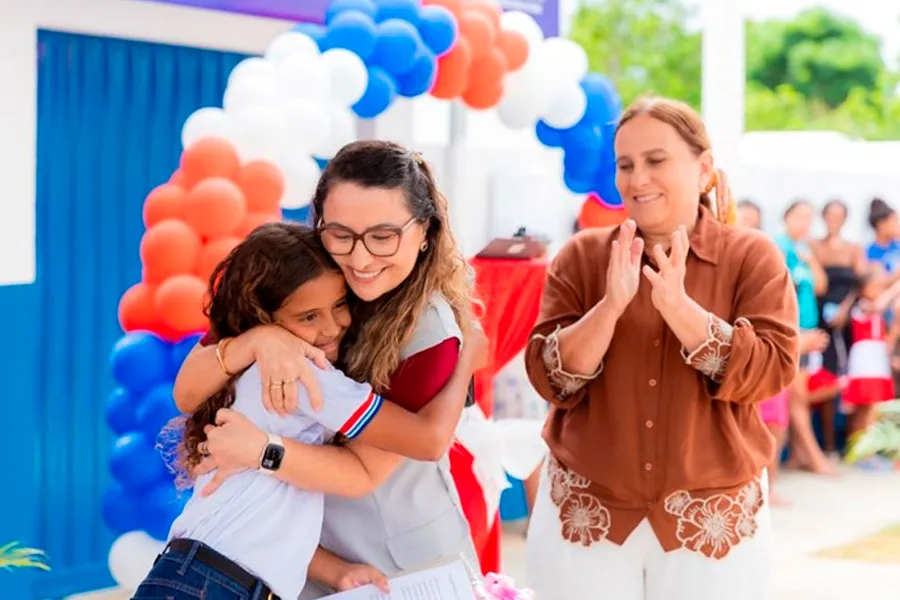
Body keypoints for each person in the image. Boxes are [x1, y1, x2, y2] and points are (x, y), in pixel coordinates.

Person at [172, 141, 484, 597]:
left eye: (383, 236)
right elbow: (188, 392)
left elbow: (379, 463)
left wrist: (261, 451)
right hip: (305, 560)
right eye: (340, 233)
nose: (360, 259)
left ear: (424, 232)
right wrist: (258, 340)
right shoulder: (301, 280)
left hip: (399, 563)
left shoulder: (427, 330)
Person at [523, 96, 799, 600]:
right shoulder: (582, 256)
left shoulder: (751, 256)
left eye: (656, 160)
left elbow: (773, 370)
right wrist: (609, 307)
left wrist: (681, 310)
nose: (637, 179)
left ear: (704, 169)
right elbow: (550, 378)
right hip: (588, 518)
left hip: (713, 525)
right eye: (625, 165)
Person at [735, 200, 791, 506]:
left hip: (767, 348)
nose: (747, 225)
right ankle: (752, 486)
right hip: (741, 352)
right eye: (742, 218)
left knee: (776, 421)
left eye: (752, 221)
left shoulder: (766, 257)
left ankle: (770, 486)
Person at [776, 201, 834, 475]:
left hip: (808, 330)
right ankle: (813, 457)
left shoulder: (805, 250)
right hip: (791, 331)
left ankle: (800, 455)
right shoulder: (778, 246)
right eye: (800, 216)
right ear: (786, 217)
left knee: (799, 395)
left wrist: (810, 259)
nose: (805, 222)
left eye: (810, 218)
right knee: (795, 396)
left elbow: (821, 286)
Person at [866, 197, 900, 274]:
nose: (898, 226)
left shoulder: (898, 247)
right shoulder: (868, 253)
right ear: (881, 225)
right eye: (894, 222)